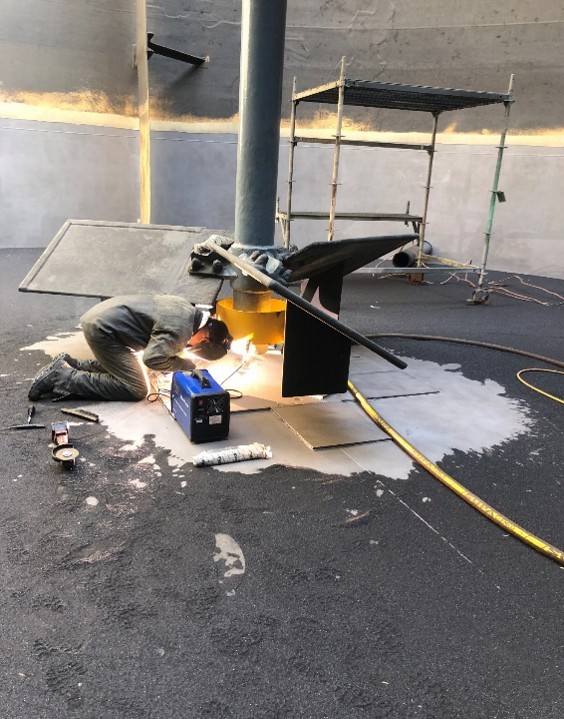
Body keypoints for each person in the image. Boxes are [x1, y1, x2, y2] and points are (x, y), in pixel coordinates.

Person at [28, 294, 232, 402]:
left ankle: (72, 363)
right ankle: (62, 377)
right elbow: (152, 359)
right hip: (103, 330)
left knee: (129, 367)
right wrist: (185, 365)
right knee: (136, 387)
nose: (193, 348)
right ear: (205, 338)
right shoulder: (182, 330)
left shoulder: (186, 308)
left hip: (102, 318)